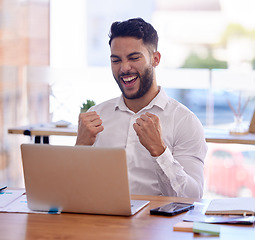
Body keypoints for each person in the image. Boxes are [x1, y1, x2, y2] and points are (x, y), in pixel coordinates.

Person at [76, 18, 207, 198]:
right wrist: (80, 148)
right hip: (104, 222)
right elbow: (74, 191)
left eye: (134, 58)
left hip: (158, 224)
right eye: (116, 60)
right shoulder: (96, 116)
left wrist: (159, 151)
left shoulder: (184, 121)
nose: (124, 68)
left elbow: (192, 198)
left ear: (155, 59)